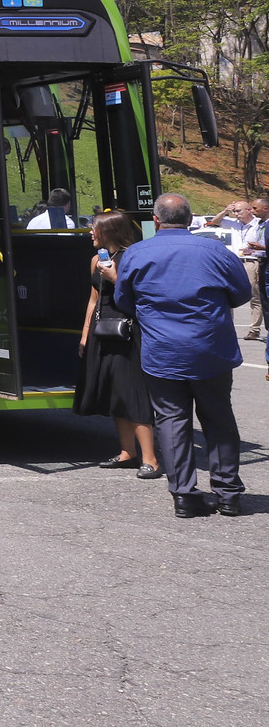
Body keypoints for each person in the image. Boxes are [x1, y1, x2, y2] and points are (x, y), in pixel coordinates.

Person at [112, 192, 253, 517]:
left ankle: (184, 496)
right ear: (190, 220)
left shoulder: (137, 253)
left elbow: (124, 300)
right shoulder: (215, 250)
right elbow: (242, 293)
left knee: (172, 421)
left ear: (156, 221)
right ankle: (228, 494)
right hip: (211, 350)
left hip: (162, 352)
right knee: (218, 419)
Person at [77, 212, 159, 478]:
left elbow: (144, 297)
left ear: (109, 231)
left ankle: (151, 459)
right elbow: (93, 300)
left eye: (95, 229)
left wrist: (115, 278)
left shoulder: (133, 257)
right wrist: (85, 334)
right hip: (104, 331)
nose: (91, 233)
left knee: (132, 392)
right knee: (115, 393)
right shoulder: (96, 260)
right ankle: (127, 452)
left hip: (129, 331)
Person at [240, 196, 269, 342]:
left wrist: (262, 248)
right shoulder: (262, 225)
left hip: (265, 264)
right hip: (261, 262)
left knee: (261, 297)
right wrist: (254, 251)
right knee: (263, 297)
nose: (253, 211)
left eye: (255, 208)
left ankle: (257, 329)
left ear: (266, 208)